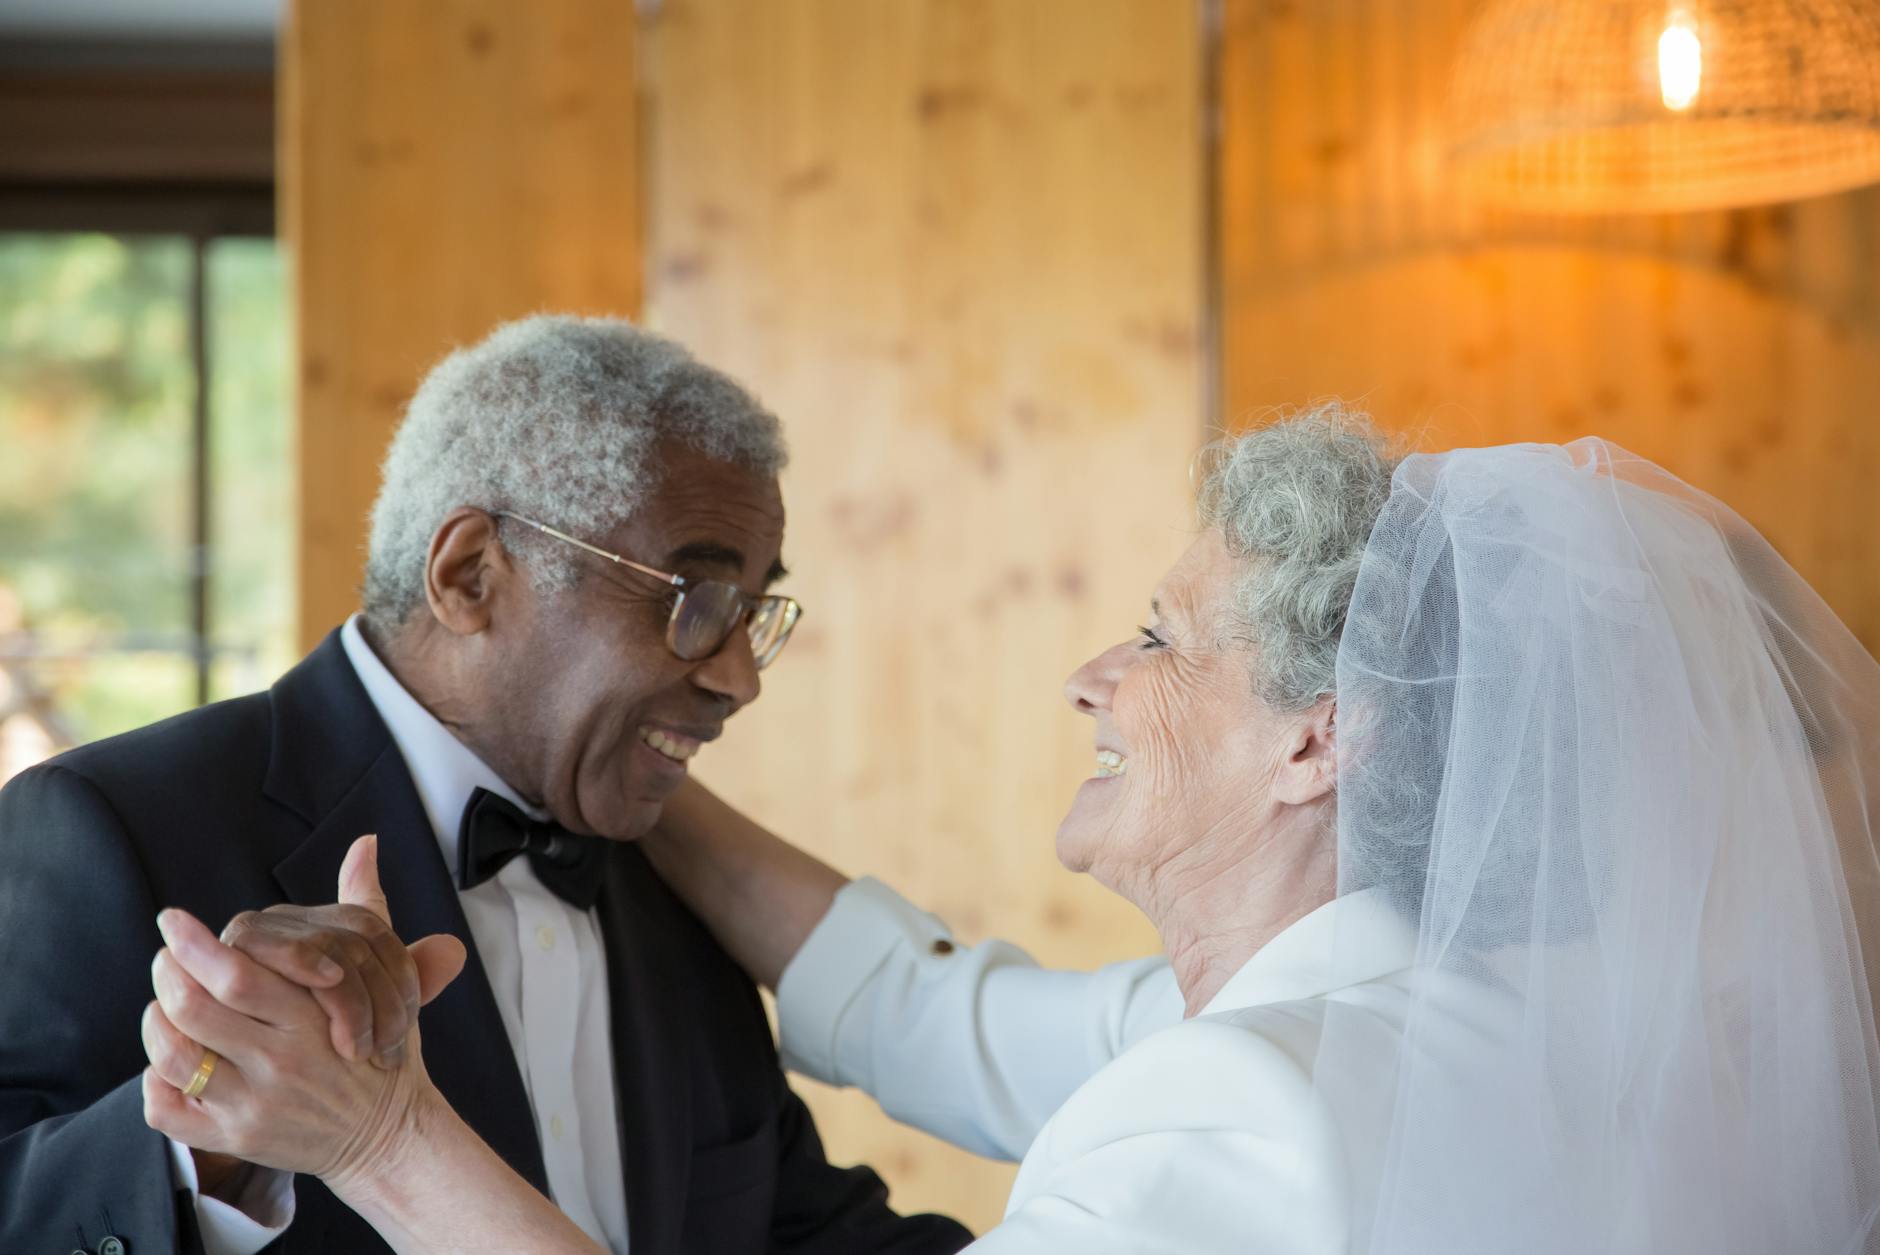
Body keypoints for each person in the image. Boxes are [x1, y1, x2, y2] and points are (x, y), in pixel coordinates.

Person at [140, 409, 1880, 1253]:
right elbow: (927, 1013)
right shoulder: (1522, 1028)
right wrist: (623, 762)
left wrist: (378, 1135)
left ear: (1315, 741)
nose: (1091, 675)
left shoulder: (1237, 1100)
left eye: (1159, 635)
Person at [0, 315, 972, 1255]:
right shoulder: (111, 824)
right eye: (694, 600)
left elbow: (795, 1229)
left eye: (754, 613)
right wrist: (206, 1144)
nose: (738, 678)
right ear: (470, 574)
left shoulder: (673, 874)